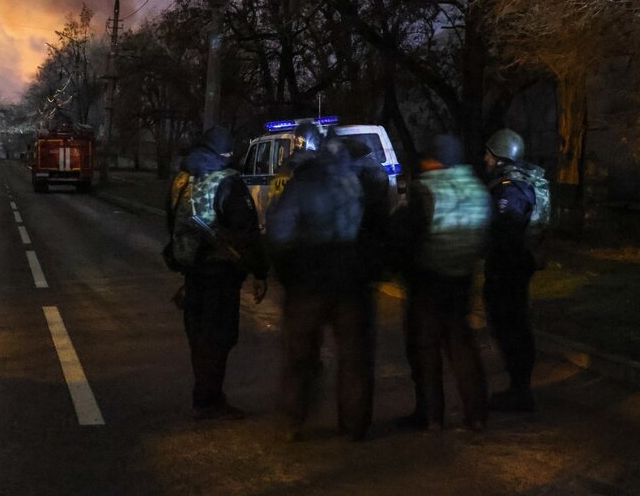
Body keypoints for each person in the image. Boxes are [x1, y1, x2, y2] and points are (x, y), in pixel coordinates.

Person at [265, 127, 372, 441]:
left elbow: (279, 232)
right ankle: (354, 426)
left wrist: (284, 270)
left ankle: (294, 419)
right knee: (354, 357)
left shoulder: (304, 181)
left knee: (300, 354)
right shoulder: (361, 184)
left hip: (308, 280)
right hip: (351, 281)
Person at [163, 125, 269, 421]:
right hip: (221, 272)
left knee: (198, 334)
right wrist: (260, 272)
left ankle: (205, 394)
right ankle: (208, 400)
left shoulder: (182, 178)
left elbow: (171, 222)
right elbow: (246, 232)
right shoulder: (228, 182)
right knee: (219, 336)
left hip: (191, 271)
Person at [392, 135, 491, 431]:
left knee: (426, 349)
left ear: (435, 160)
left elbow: (404, 236)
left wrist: (402, 266)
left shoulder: (424, 190)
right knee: (463, 346)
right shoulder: (478, 189)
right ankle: (476, 415)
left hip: (428, 280)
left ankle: (432, 415)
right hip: (462, 277)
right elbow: (487, 233)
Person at [482, 128, 547, 412]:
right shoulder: (515, 182)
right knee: (514, 325)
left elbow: (506, 230)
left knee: (511, 326)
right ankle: (519, 389)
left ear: (500, 157)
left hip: (508, 268)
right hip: (517, 265)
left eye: (489, 154)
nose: (485, 158)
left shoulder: (510, 188)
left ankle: (520, 392)